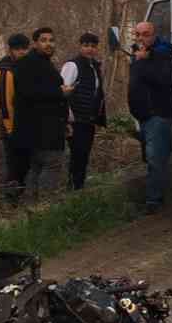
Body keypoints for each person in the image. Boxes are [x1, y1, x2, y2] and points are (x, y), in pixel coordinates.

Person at [128, 20, 172, 215]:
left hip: (159, 115)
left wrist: (144, 61)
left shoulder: (162, 54)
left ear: (155, 34)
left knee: (156, 159)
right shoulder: (139, 55)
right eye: (138, 35)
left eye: (146, 34)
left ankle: (153, 202)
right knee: (151, 160)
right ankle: (155, 197)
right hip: (144, 116)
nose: (141, 38)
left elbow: (162, 79)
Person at [15, 26, 69, 200]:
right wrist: (60, 92)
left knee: (37, 168)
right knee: (51, 166)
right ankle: (45, 208)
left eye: (51, 40)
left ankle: (33, 211)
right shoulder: (27, 63)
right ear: (35, 43)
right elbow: (29, 93)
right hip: (41, 128)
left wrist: (65, 121)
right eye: (44, 40)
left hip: (49, 127)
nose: (49, 44)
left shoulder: (44, 62)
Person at [60, 32, 107, 191]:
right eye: (86, 46)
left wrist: (99, 118)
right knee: (77, 156)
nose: (89, 49)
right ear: (80, 46)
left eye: (93, 46)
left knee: (84, 156)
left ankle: (78, 188)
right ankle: (73, 189)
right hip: (75, 120)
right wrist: (66, 121)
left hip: (89, 120)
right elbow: (62, 93)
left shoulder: (94, 67)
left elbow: (97, 94)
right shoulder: (72, 65)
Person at [0, 33, 32, 204]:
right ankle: (11, 202)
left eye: (24, 48)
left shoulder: (23, 68)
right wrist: (11, 130)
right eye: (18, 49)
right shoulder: (6, 72)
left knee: (24, 165)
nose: (22, 52)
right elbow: (5, 105)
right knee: (15, 167)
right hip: (12, 128)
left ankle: (18, 199)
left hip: (25, 126)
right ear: (11, 50)